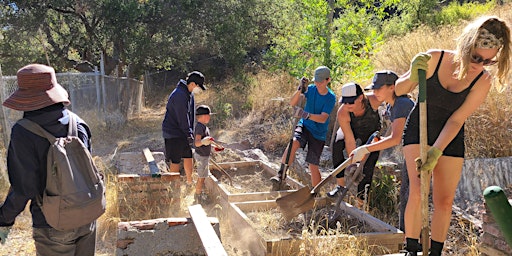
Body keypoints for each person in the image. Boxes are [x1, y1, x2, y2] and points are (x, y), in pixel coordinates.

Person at [395, 16, 511, 256]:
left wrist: (437, 151)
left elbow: (457, 119)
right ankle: (411, 250)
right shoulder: (435, 58)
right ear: (466, 47)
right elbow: (398, 89)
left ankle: (436, 252)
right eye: (476, 57)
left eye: (489, 61)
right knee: (418, 190)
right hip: (419, 128)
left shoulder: (483, 80)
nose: (480, 64)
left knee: (445, 200)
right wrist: (413, 74)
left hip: (451, 134)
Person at [0, 64, 97, 255]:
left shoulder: (24, 132)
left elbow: (25, 188)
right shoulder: (78, 123)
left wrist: (4, 218)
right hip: (88, 216)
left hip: (53, 224)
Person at [349, 70, 414, 228]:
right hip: (411, 150)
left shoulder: (402, 104)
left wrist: (366, 149)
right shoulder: (392, 106)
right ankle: (408, 237)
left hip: (421, 150)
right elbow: (392, 136)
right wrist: (374, 143)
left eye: (378, 88)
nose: (374, 92)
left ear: (392, 87)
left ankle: (410, 239)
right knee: (407, 194)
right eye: (373, 89)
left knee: (411, 195)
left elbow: (395, 139)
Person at [270, 66, 336, 188]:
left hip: (318, 133)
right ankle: (281, 175)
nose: (318, 84)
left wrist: (305, 114)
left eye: (321, 82)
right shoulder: (310, 89)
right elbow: (292, 102)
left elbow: (323, 118)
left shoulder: (330, 97)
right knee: (293, 143)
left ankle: (315, 193)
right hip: (305, 126)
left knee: (313, 165)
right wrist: (300, 88)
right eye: (316, 81)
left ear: (328, 80)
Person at [328, 81, 383, 207]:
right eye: (345, 102)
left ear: (360, 98)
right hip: (351, 130)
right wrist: (354, 163)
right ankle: (340, 186)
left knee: (368, 164)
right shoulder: (343, 112)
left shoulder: (373, 100)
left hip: (371, 133)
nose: (347, 105)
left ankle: (361, 203)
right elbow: (349, 139)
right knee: (337, 144)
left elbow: (392, 97)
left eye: (351, 102)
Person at [162, 71, 205, 184]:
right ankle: (173, 186)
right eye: (198, 87)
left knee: (188, 155)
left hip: (183, 131)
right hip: (173, 132)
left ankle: (189, 182)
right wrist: (188, 134)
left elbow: (190, 116)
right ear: (192, 84)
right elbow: (182, 117)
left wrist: (191, 133)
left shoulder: (188, 93)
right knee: (175, 160)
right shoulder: (179, 95)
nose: (198, 89)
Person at [193, 105, 223, 204]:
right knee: (201, 177)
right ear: (200, 116)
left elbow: (208, 140)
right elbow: (197, 143)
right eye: (207, 115)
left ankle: (200, 193)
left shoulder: (204, 127)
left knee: (203, 176)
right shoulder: (199, 127)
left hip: (204, 156)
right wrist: (202, 142)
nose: (209, 117)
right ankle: (197, 196)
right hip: (201, 157)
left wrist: (215, 146)